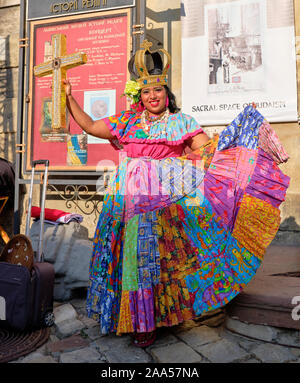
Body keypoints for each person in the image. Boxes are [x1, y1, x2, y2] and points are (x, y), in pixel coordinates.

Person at [64, 40, 290, 347]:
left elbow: (207, 152)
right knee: (128, 259)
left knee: (154, 261)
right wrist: (68, 98)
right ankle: (133, 318)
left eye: (157, 90)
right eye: (146, 91)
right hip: (125, 202)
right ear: (139, 95)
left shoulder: (181, 122)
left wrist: (237, 141)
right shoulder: (127, 121)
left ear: (166, 92)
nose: (152, 96)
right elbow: (89, 124)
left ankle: (149, 321)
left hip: (162, 207)